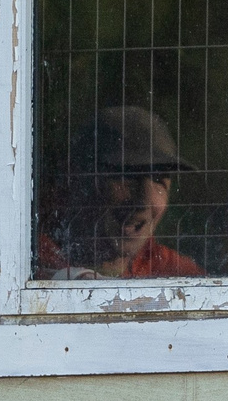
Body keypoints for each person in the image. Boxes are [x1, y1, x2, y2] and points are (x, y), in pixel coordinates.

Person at [34, 104, 205, 280]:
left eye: (158, 180)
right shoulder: (28, 265)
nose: (144, 201)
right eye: (127, 176)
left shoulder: (176, 272)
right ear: (80, 181)